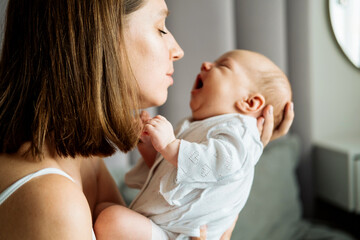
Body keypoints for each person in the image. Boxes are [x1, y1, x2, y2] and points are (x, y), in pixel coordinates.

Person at [0, 0, 294, 239]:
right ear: (99, 37)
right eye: (160, 28)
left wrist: (235, 171)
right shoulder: (52, 206)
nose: (178, 51)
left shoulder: (81, 157)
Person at [94, 49, 293, 239]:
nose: (206, 64)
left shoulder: (241, 131)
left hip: (180, 234)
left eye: (223, 66)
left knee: (110, 220)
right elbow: (172, 172)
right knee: (103, 211)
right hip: (163, 225)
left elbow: (221, 164)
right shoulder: (195, 126)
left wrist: (170, 145)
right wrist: (149, 145)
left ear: (249, 103)